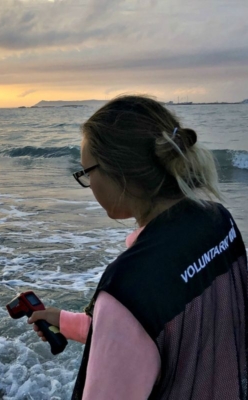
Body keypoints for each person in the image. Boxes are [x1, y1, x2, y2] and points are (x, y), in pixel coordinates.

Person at [28, 95, 247, 399]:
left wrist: (110, 316)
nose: (88, 183)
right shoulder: (217, 221)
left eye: (87, 172)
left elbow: (135, 321)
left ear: (121, 173)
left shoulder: (128, 287)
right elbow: (156, 328)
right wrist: (65, 322)